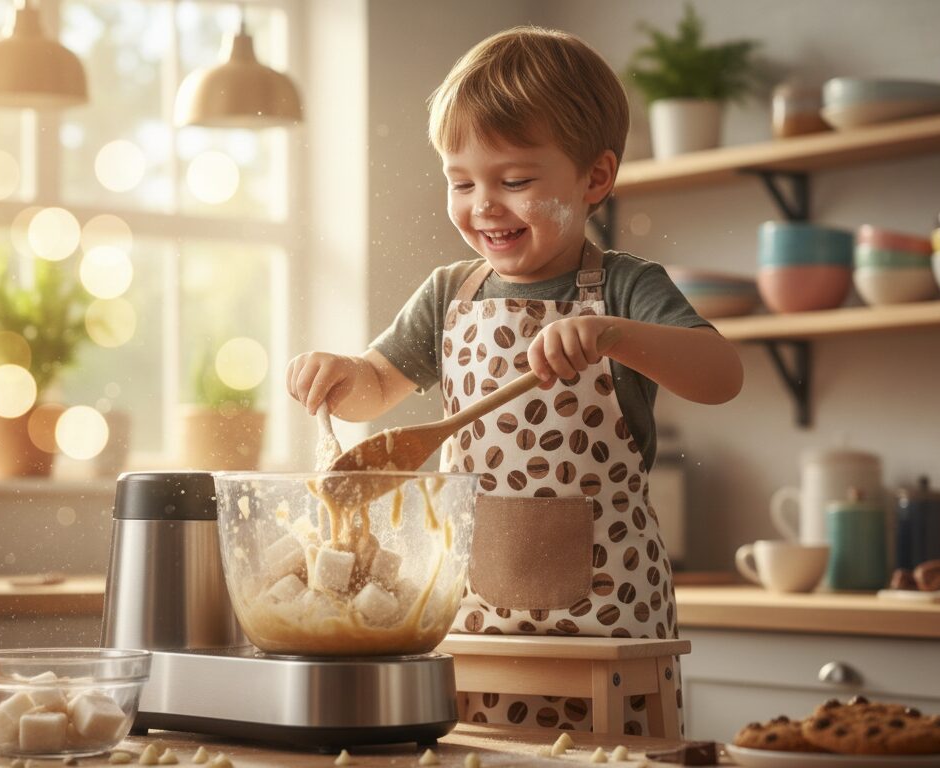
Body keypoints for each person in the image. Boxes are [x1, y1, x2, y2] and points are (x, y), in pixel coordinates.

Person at [286, 25, 742, 735]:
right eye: (460, 182)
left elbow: (722, 375)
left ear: (594, 178)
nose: (484, 205)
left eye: (516, 181)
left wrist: (613, 335)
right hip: (474, 615)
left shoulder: (624, 286)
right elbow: (378, 387)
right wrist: (341, 373)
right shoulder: (449, 293)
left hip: (610, 617)